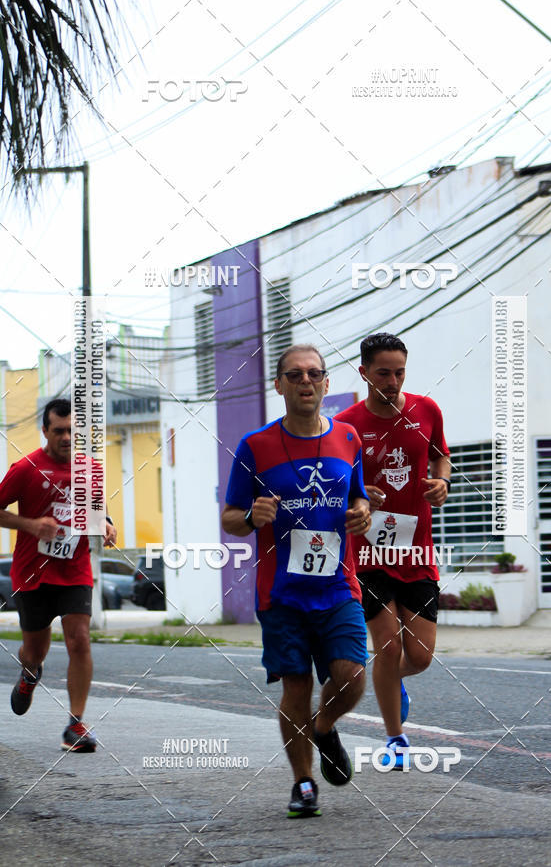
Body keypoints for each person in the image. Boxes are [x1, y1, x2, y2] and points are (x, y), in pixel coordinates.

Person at [222, 344, 372, 818]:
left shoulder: (348, 439)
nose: (305, 382)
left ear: (326, 383)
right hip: (281, 593)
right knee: (295, 687)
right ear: (280, 385)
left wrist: (363, 512)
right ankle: (304, 783)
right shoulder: (256, 446)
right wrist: (251, 515)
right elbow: (230, 517)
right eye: (294, 375)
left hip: (337, 586)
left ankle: (324, 727)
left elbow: (359, 499)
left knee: (352, 675)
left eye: (313, 374)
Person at [335, 333, 451, 770]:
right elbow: (333, 485)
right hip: (366, 551)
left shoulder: (427, 410)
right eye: (383, 372)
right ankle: (395, 739)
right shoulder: (345, 425)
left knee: (418, 656)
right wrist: (360, 495)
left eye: (399, 372)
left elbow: (442, 457)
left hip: (417, 548)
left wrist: (443, 482)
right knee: (386, 646)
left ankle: (387, 681)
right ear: (364, 372)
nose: (393, 381)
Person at [0, 398, 117, 752]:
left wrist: (107, 525)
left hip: (75, 567)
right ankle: (30, 673)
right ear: (45, 431)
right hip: (33, 573)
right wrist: (31, 525)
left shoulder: (90, 469)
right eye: (60, 431)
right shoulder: (26, 468)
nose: (67, 437)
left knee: (79, 639)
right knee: (35, 650)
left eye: (73, 431)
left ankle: (75, 723)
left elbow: (99, 507)